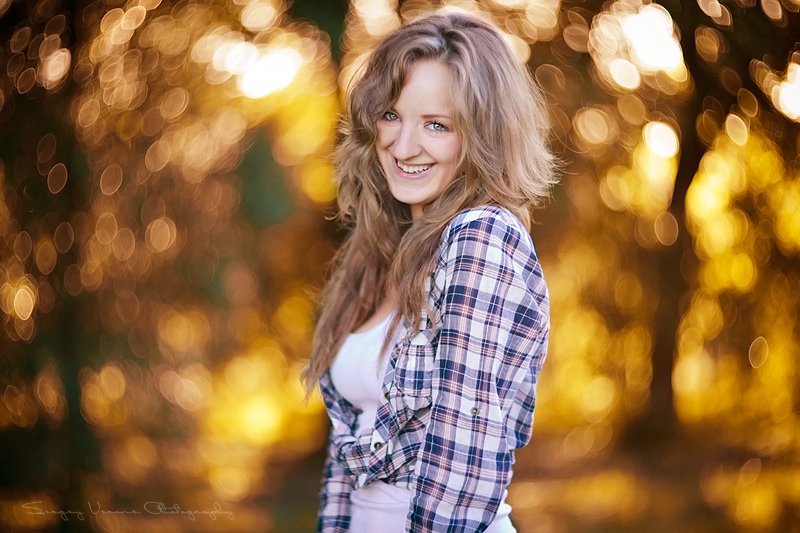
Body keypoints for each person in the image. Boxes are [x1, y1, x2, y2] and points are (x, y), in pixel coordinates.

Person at [303, 11, 557, 533]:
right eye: (391, 115)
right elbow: (348, 459)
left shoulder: (481, 238)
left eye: (436, 125)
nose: (403, 146)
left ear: (483, 136)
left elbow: (463, 466)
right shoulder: (379, 254)